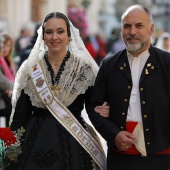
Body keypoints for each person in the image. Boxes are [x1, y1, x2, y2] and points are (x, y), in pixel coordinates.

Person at [7, 12, 109, 170]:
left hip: (75, 141)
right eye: (49, 32)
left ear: (69, 36)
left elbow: (93, 109)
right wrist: (9, 148)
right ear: (43, 37)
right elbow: (20, 115)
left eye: (60, 31)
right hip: (34, 141)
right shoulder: (30, 69)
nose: (54, 37)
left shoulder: (84, 68)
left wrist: (108, 118)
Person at [87, 4, 170, 170]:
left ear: (151, 29)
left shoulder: (167, 63)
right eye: (127, 26)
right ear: (121, 30)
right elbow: (93, 107)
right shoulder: (109, 65)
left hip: (161, 158)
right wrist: (114, 134)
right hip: (120, 158)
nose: (132, 32)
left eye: (139, 26)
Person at [0, 34, 13, 127]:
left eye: (8, 46)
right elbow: (3, 81)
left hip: (8, 98)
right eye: (3, 46)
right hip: (3, 101)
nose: (5, 49)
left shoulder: (9, 62)